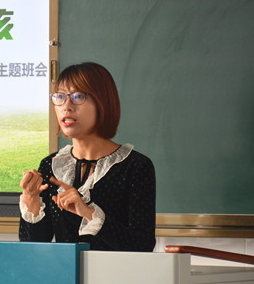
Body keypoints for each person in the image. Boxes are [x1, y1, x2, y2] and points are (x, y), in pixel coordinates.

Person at [18, 62, 156, 251]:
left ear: (102, 103)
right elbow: (33, 247)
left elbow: (143, 246)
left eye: (78, 96)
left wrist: (89, 213)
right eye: (60, 96)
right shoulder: (51, 165)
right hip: (65, 270)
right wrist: (31, 199)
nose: (66, 106)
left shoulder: (135, 166)